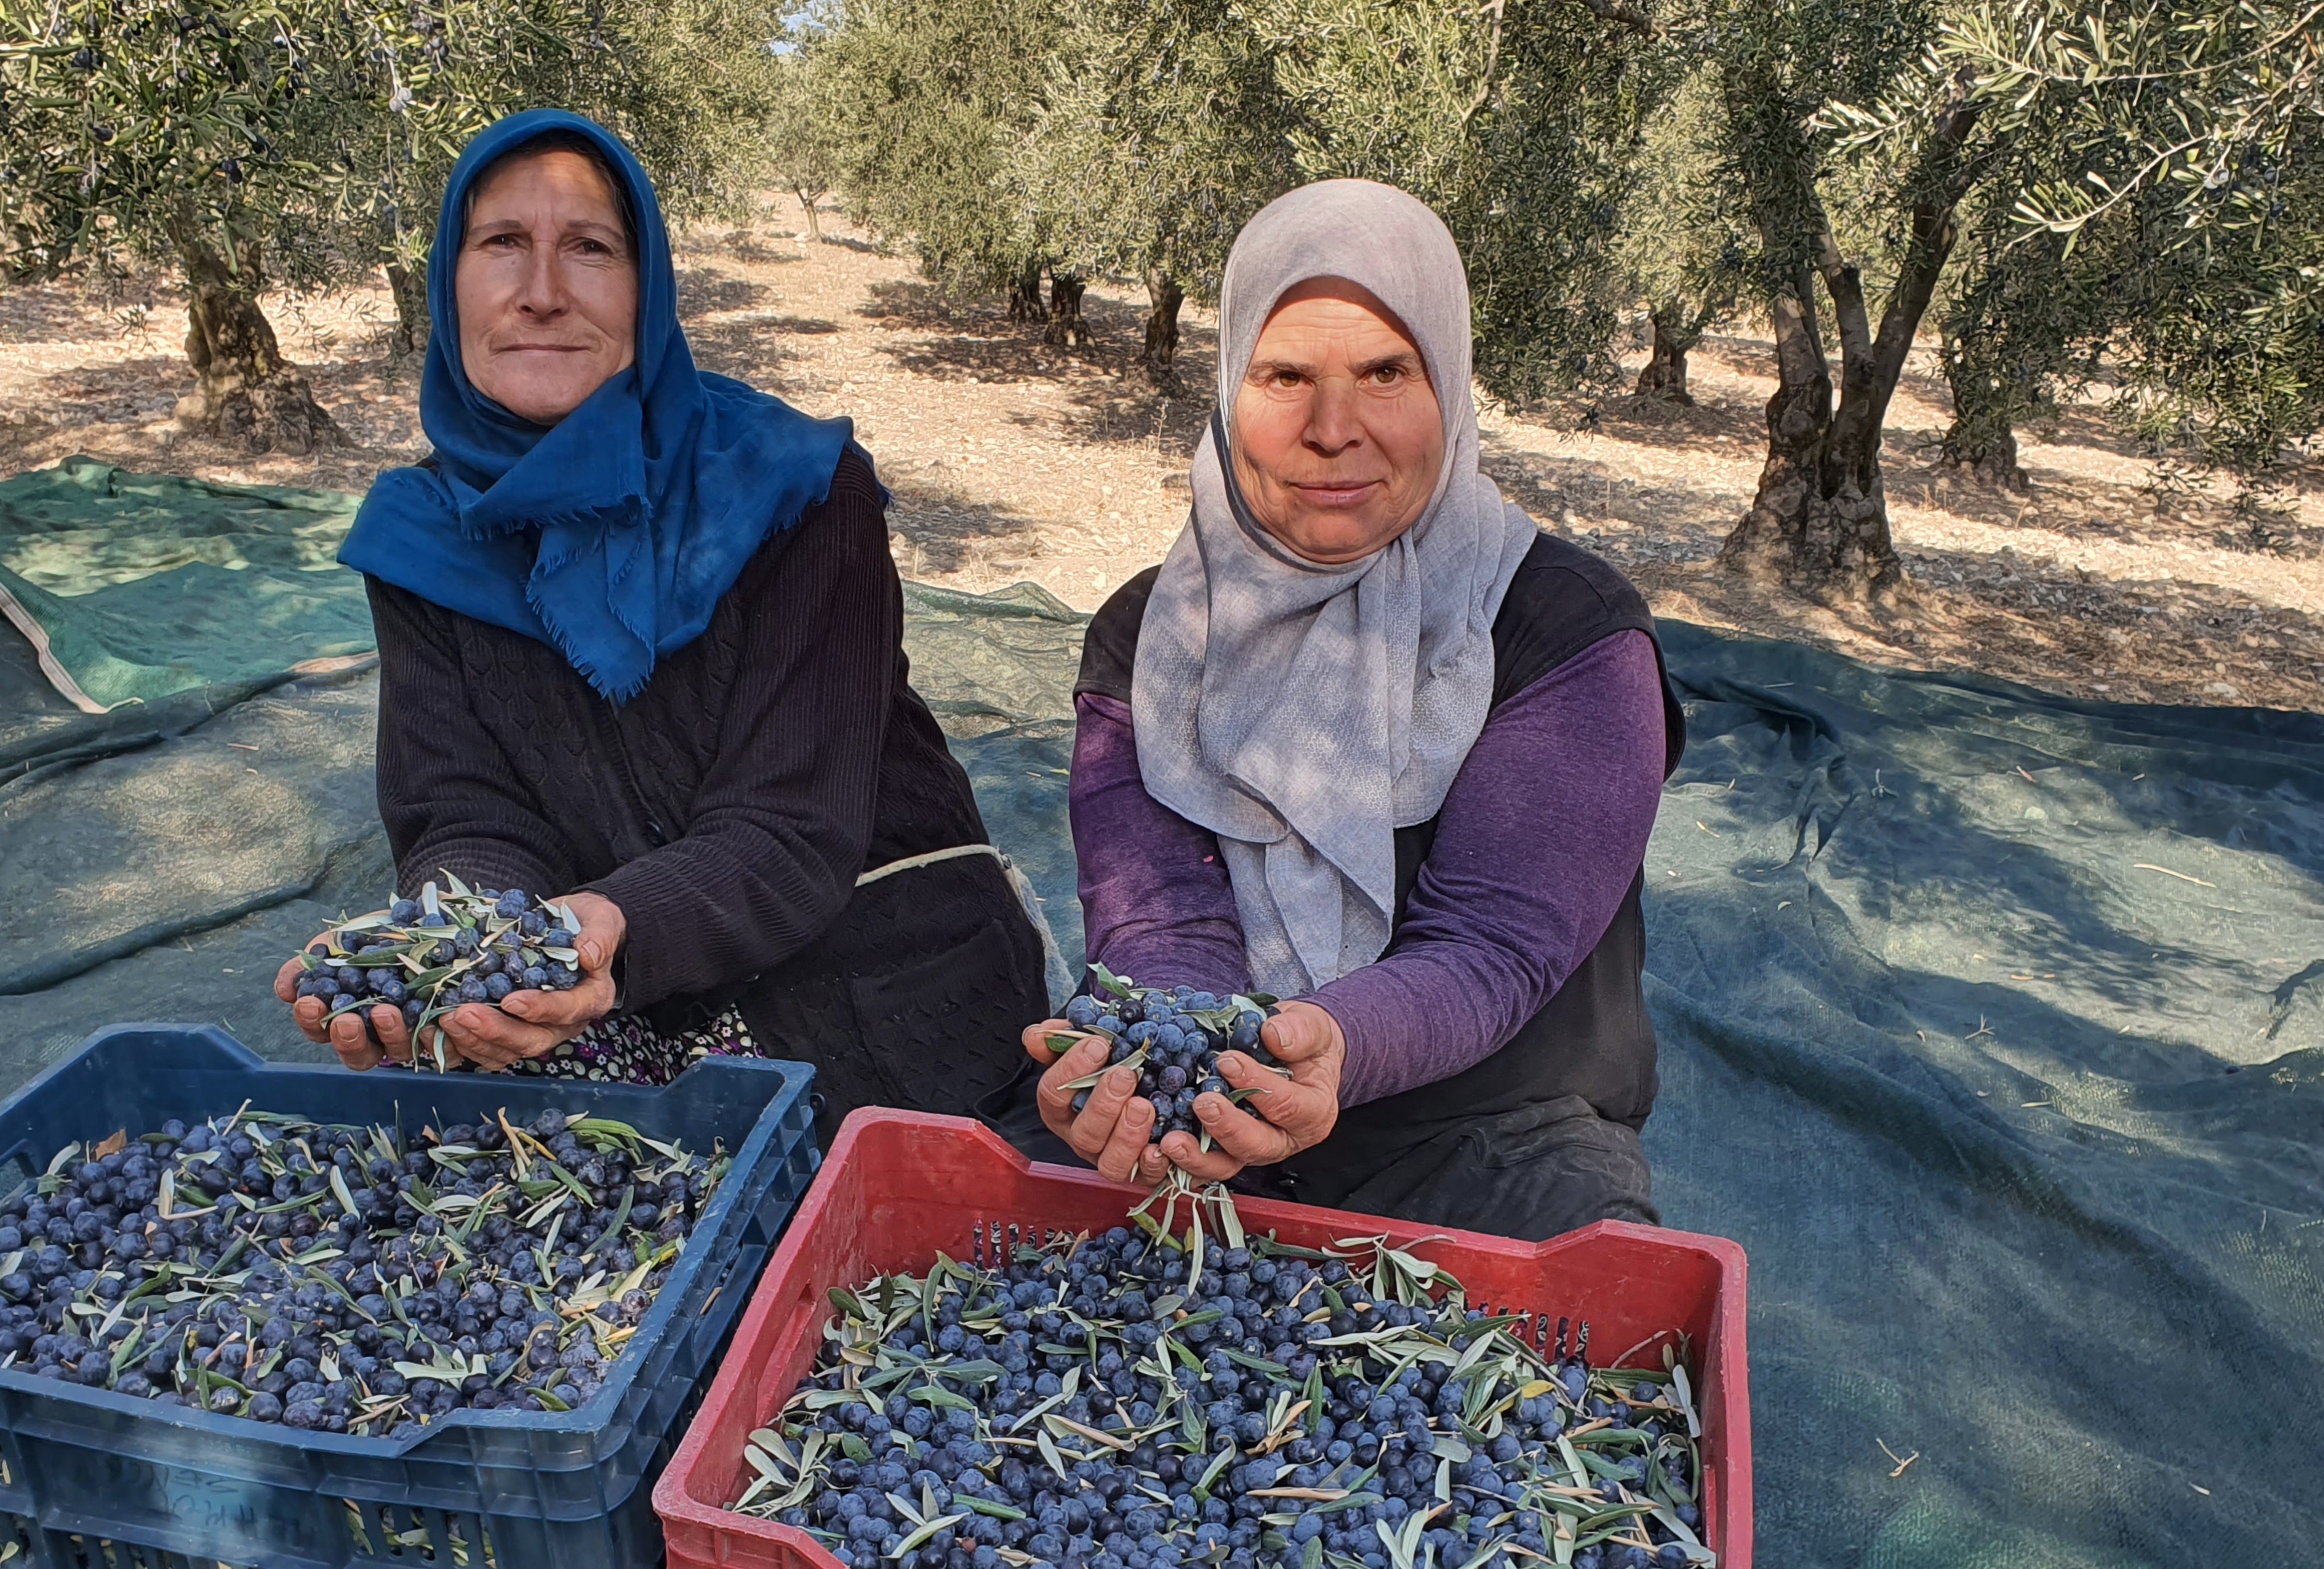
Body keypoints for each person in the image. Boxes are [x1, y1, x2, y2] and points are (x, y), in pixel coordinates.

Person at [286, 109, 1044, 1119]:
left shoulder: (797, 490)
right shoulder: (422, 537)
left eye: (590, 249)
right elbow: (464, 808)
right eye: (502, 243)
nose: (543, 292)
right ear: (446, 282)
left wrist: (601, 928)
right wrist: (462, 942)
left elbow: (788, 828)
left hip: (888, 995)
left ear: (647, 291)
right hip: (605, 1015)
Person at [1017, 180, 1685, 1236]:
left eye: (1386, 372)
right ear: (1231, 386)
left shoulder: (1568, 629)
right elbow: (1165, 921)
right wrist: (1166, 1053)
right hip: (1214, 1124)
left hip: (1494, 1132)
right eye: (1285, 375)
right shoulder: (1147, 638)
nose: (1334, 429)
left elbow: (1493, 944)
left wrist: (1325, 1049)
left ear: (1449, 388)